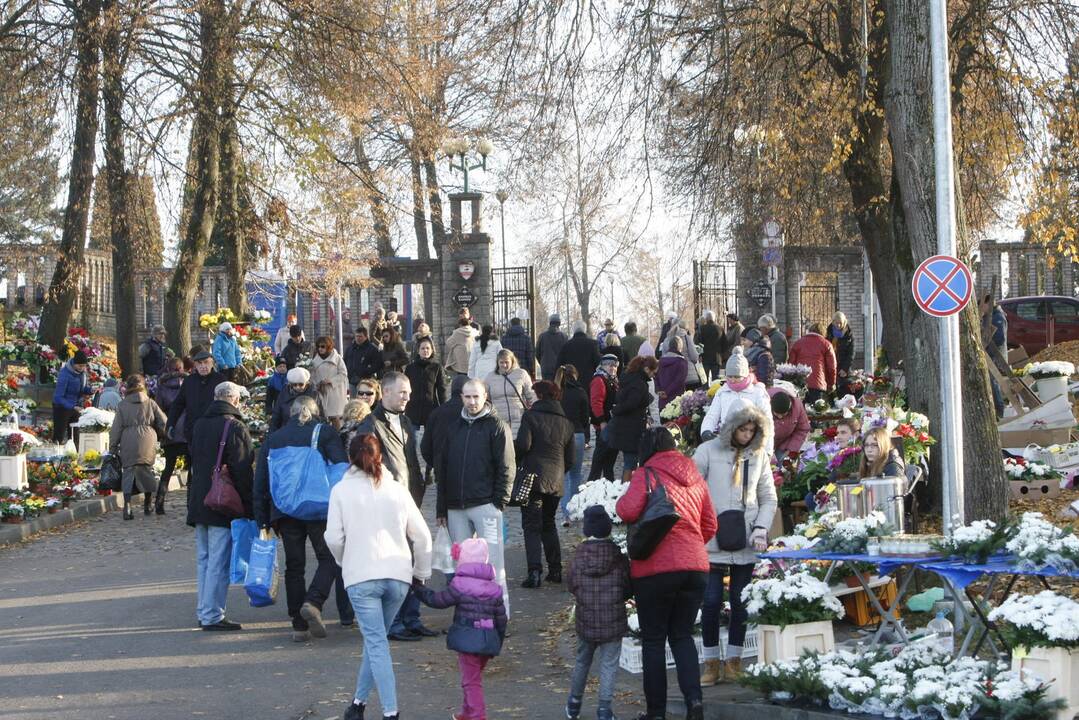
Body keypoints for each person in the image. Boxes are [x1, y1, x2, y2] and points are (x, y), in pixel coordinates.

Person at [326, 433, 432, 720]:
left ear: (350, 458)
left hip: (361, 576)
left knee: (376, 643)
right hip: (398, 575)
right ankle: (357, 704)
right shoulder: (397, 490)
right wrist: (421, 572)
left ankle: (390, 712)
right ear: (380, 456)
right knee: (377, 642)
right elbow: (422, 537)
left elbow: (334, 538)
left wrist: (344, 559)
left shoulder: (340, 491)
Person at [615, 427, 716, 720]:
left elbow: (626, 511)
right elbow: (710, 524)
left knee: (654, 640)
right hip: (695, 567)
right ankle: (694, 704)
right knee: (682, 637)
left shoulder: (645, 474)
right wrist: (691, 547)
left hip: (655, 571)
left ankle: (656, 713)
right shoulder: (695, 475)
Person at [254, 396, 352, 642]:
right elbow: (342, 470)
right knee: (329, 557)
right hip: (319, 507)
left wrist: (262, 519)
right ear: (315, 411)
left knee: (294, 566)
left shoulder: (274, 439)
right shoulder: (326, 432)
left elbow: (261, 481)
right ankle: (314, 601)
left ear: (290, 413)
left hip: (285, 510)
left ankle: (299, 625)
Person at [694, 403, 776, 685]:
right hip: (712, 540)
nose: (747, 434)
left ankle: (734, 660)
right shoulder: (706, 452)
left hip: (746, 540)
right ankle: (710, 662)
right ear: (732, 427)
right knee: (711, 601)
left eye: (752, 429)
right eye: (743, 428)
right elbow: (691, 490)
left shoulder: (760, 455)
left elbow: (768, 497)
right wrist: (699, 527)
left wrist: (762, 528)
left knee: (741, 603)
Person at [355, 372, 434, 641]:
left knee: (414, 560)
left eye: (409, 393)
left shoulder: (407, 421)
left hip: (411, 497)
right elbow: (366, 465)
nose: (407, 398)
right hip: (387, 502)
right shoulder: (370, 425)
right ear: (385, 392)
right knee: (395, 565)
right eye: (402, 393)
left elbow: (410, 458)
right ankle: (394, 622)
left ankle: (412, 618)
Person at [435, 379, 515, 610]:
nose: (472, 402)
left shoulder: (497, 426)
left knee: (494, 563)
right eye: (467, 397)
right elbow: (443, 469)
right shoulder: (453, 427)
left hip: (486, 504)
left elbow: (506, 466)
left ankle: (500, 612)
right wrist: (442, 507)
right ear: (461, 397)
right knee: (462, 564)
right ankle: (468, 613)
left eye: (476, 397)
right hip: (456, 507)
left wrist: (499, 502)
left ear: (485, 396)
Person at [413, 538, 506, 720]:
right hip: (488, 640)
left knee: (471, 682)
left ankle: (478, 716)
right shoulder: (495, 588)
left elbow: (438, 601)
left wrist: (419, 589)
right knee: (473, 678)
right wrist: (498, 642)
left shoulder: (460, 584)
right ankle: (467, 713)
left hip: (468, 638)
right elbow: (501, 619)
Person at [187, 381, 254, 631]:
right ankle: (212, 614)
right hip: (222, 501)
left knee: (204, 559)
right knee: (218, 560)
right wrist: (250, 507)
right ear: (234, 400)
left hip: (199, 498)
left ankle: (204, 610)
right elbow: (242, 470)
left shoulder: (200, 424)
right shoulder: (234, 427)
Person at [564, 506, 631, 720]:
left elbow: (572, 585)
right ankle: (604, 709)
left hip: (586, 620)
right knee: (609, 663)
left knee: (582, 661)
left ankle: (574, 704)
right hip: (612, 620)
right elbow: (627, 586)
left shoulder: (577, 557)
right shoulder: (618, 557)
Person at [516, 380, 575, 589]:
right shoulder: (566, 423)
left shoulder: (531, 416)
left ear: (539, 396)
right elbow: (570, 459)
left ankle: (534, 572)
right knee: (548, 523)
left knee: (531, 525)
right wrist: (558, 473)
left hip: (533, 478)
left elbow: (523, 445)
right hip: (556, 481)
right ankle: (555, 570)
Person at [109, 374, 167, 520]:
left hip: (128, 438)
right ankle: (147, 504)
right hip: (148, 437)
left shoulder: (122, 405)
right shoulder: (150, 403)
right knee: (146, 470)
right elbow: (164, 421)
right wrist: (160, 434)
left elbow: (116, 428)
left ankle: (127, 507)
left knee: (128, 471)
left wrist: (113, 446)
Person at [700, 347, 773, 454]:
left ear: (745, 375)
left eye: (737, 377)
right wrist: (706, 431)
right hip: (727, 444)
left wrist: (768, 450)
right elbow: (712, 415)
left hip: (751, 445)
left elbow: (767, 421)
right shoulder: (722, 392)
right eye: (729, 376)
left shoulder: (758, 392)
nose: (733, 380)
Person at [609, 355, 659, 482]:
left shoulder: (630, 378)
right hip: (632, 429)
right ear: (647, 369)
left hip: (627, 426)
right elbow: (631, 403)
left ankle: (627, 489)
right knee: (630, 464)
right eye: (654, 372)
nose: (654, 376)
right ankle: (626, 490)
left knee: (629, 462)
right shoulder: (639, 383)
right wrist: (615, 410)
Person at [166, 349, 225, 447]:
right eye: (199, 363)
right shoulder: (189, 381)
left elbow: (227, 404)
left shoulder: (220, 380)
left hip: (215, 431)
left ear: (212, 363)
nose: (203, 366)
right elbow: (178, 404)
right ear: (195, 365)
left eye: (206, 362)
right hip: (193, 431)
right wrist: (171, 424)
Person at [420, 374, 469, 486]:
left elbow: (425, 447)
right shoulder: (472, 412)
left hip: (442, 468)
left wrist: (436, 462)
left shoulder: (436, 413)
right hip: (468, 469)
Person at [556, 365, 590, 525]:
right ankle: (576, 509)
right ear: (575, 376)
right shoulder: (580, 392)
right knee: (576, 474)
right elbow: (585, 417)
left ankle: (565, 513)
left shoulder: (556, 393)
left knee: (563, 475)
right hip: (577, 434)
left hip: (559, 435)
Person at [154, 357, 188, 514]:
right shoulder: (189, 384)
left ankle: (159, 503)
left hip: (171, 430)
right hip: (187, 431)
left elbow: (158, 410)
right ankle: (190, 504)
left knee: (168, 468)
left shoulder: (162, 387)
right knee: (192, 467)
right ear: (181, 369)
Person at [485, 349, 536, 441]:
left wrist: (534, 411)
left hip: (519, 418)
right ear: (497, 363)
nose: (504, 365)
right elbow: (486, 400)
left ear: (512, 361)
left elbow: (531, 395)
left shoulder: (521, 374)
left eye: (506, 362)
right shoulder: (490, 377)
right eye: (501, 362)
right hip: (499, 420)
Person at [586, 355, 620, 482]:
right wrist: (602, 421)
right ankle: (590, 487)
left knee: (609, 462)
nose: (613, 368)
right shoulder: (599, 380)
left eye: (615, 366)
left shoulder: (613, 379)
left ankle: (609, 487)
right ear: (603, 365)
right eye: (610, 365)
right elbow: (596, 403)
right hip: (604, 425)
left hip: (613, 425)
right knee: (599, 461)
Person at [788, 322, 837, 405]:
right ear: (823, 332)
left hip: (800, 385)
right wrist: (831, 384)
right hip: (818, 385)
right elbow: (831, 367)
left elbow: (791, 365)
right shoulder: (827, 344)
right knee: (817, 412)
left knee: (801, 412)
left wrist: (792, 382)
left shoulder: (797, 343)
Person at [52, 350, 93, 443]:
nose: (82, 368)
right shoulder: (64, 374)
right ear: (74, 364)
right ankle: (57, 452)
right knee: (59, 435)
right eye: (80, 366)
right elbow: (58, 397)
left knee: (75, 435)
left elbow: (81, 389)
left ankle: (74, 453)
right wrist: (72, 406)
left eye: (84, 366)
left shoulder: (82, 374)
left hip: (75, 406)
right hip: (61, 408)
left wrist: (90, 390)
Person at [310, 336, 349, 427]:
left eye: (323, 346)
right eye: (318, 346)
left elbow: (343, 374)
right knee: (322, 417)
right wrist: (317, 384)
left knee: (335, 417)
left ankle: (338, 437)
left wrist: (331, 381)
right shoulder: (314, 361)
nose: (320, 349)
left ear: (328, 347)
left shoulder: (337, 358)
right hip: (321, 392)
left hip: (335, 392)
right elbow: (312, 377)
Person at [269, 367, 321, 433]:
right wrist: (272, 433)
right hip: (287, 429)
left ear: (306, 383)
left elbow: (320, 414)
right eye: (294, 385)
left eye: (301, 384)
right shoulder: (284, 393)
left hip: (308, 431)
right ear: (290, 384)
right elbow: (276, 414)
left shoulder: (313, 394)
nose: (297, 387)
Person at [558, 321, 602, 396]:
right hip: (589, 382)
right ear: (585, 330)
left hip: (570, 383)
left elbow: (559, 364)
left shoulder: (566, 345)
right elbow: (598, 363)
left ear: (573, 330)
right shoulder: (593, 344)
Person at [769, 387, 810, 456]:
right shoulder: (762, 406)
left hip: (785, 445)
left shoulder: (797, 406)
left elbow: (802, 429)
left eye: (783, 414)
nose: (780, 417)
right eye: (776, 414)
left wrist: (791, 449)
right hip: (764, 445)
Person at [344, 327, 383, 395]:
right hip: (352, 381)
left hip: (366, 381)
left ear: (365, 337)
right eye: (357, 336)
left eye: (360, 336)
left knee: (365, 401)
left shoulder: (372, 349)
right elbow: (345, 362)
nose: (358, 338)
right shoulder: (350, 349)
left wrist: (366, 371)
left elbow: (377, 365)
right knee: (354, 403)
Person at [656, 335, 690, 409]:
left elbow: (656, 377)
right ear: (680, 347)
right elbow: (680, 380)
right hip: (676, 401)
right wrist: (667, 392)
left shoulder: (660, 361)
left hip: (662, 400)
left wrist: (659, 390)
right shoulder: (682, 362)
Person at [501, 313, 536, 378]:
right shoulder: (526, 338)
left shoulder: (504, 338)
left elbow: (501, 354)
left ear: (510, 324)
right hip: (523, 368)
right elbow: (529, 355)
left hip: (508, 367)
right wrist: (531, 369)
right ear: (520, 324)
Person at [828, 312, 855, 396]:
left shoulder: (849, 336)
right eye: (837, 323)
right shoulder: (829, 333)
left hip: (843, 368)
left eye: (841, 323)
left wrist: (845, 368)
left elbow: (851, 354)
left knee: (844, 391)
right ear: (833, 322)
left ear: (844, 323)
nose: (839, 325)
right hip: (831, 366)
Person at [536, 313, 569, 381]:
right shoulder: (564, 337)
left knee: (546, 388)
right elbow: (567, 353)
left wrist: (542, 362)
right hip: (560, 368)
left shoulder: (542, 336)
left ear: (550, 323)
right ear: (559, 324)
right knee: (558, 389)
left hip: (546, 367)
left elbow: (537, 353)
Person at [697, 311, 722, 381]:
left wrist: (700, 355)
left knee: (704, 379)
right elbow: (724, 343)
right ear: (714, 318)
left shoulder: (702, 329)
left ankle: (705, 391)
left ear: (706, 319)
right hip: (717, 358)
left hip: (705, 358)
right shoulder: (720, 328)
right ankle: (715, 391)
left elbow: (699, 343)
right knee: (716, 380)